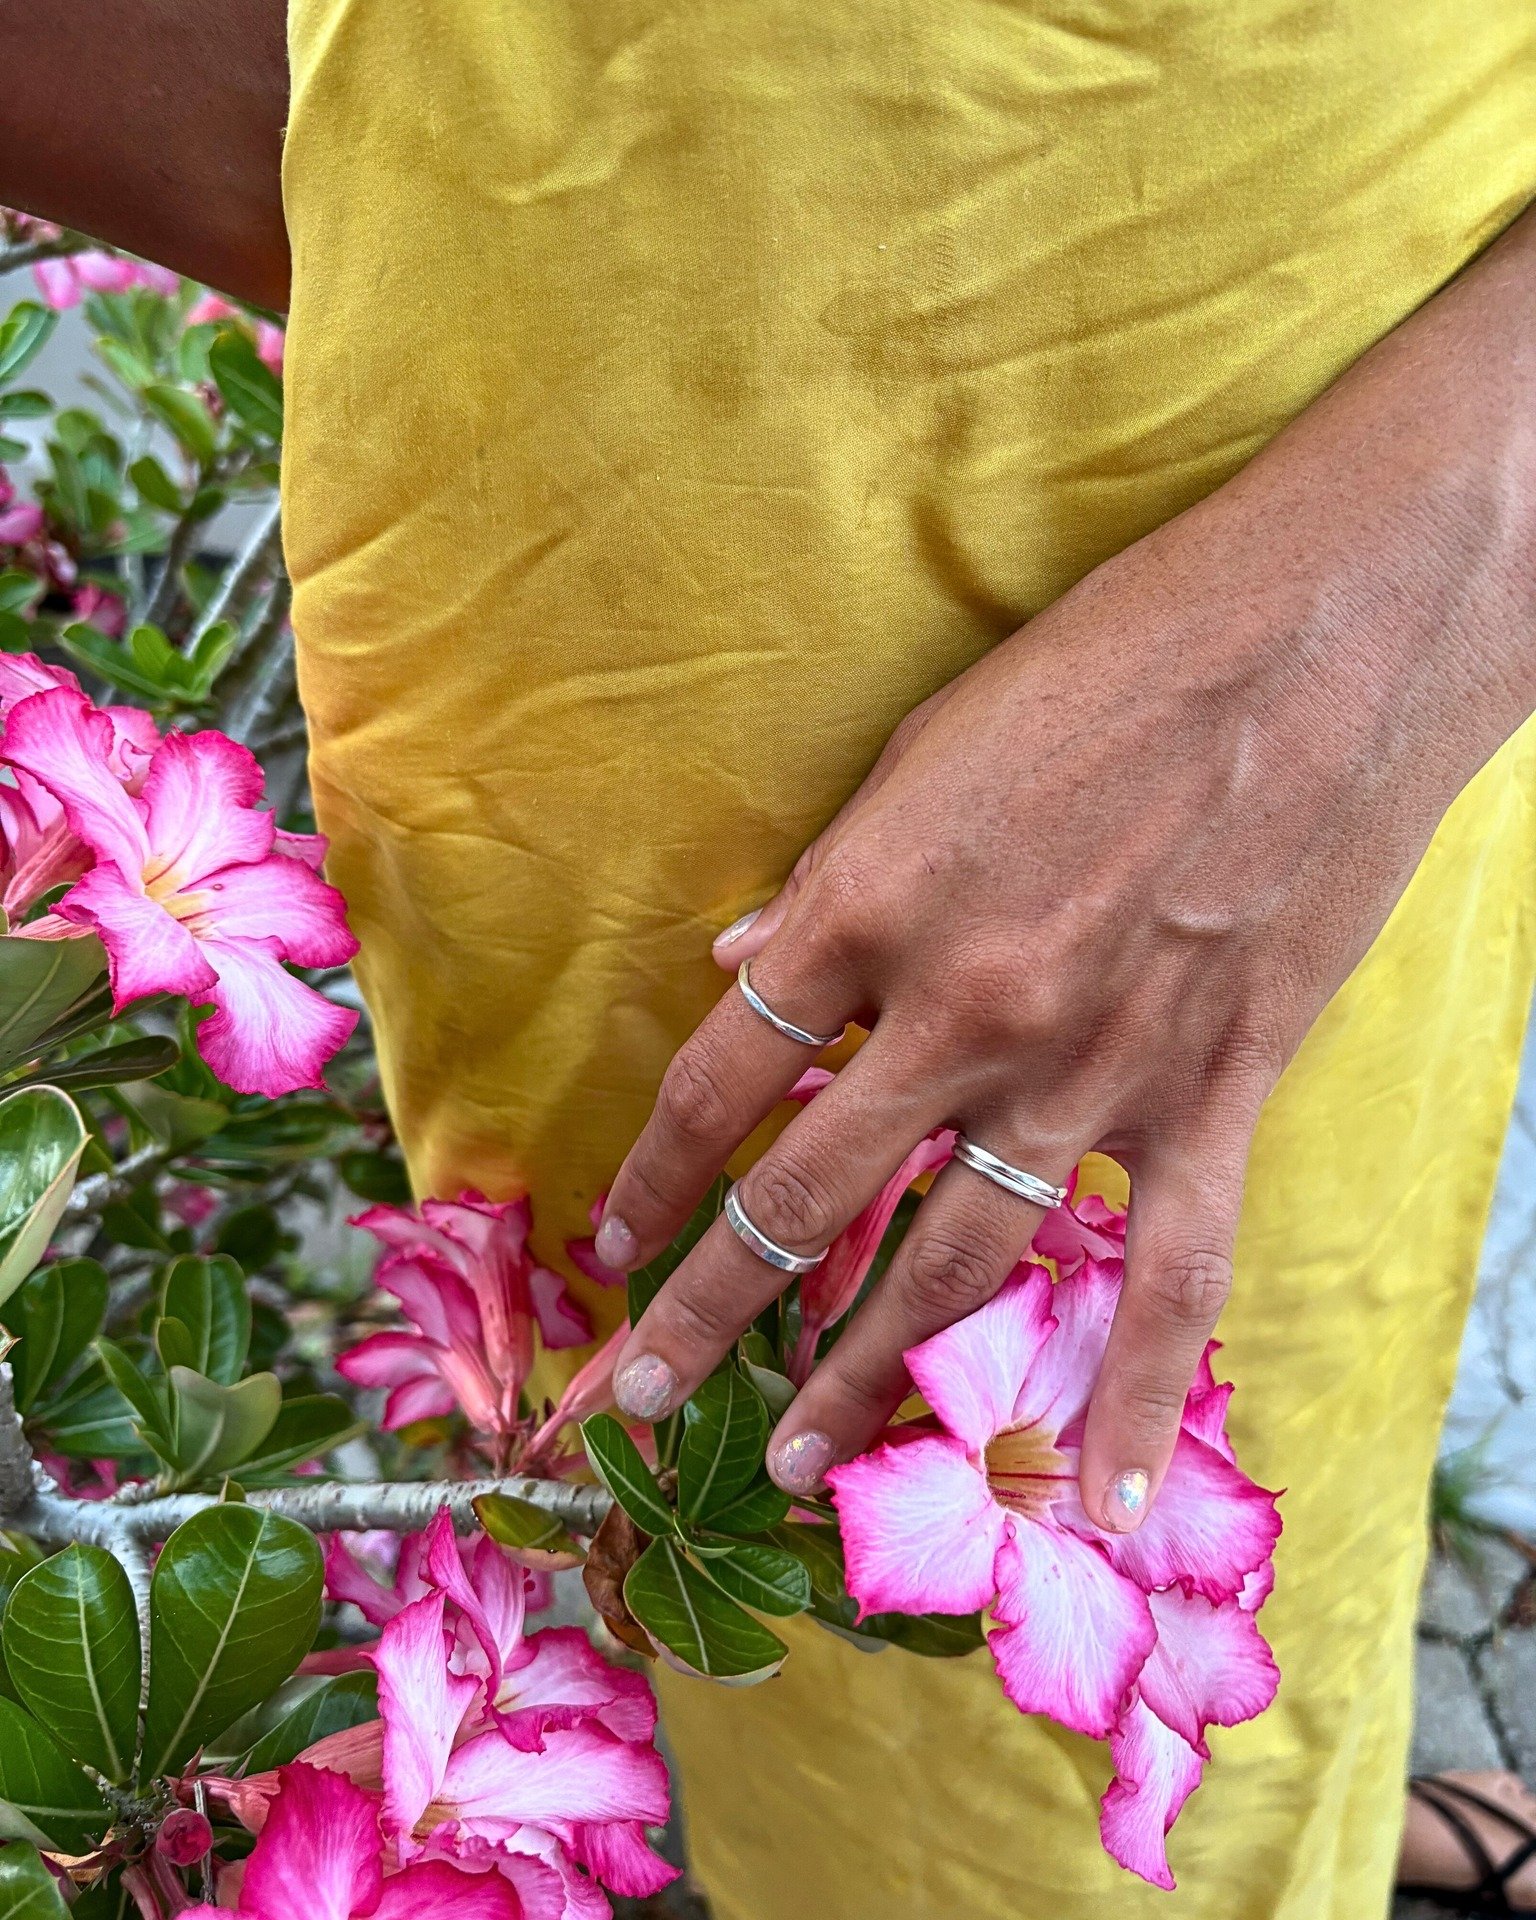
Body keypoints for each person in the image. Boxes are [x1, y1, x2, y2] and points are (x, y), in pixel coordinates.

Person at [5, 4, 1535, 1913]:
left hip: (1335, 598)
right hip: (592, 710)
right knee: (860, 1699)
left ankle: (1280, 1811)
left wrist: (1436, 567)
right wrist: (447, 195)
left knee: (1270, 1411)